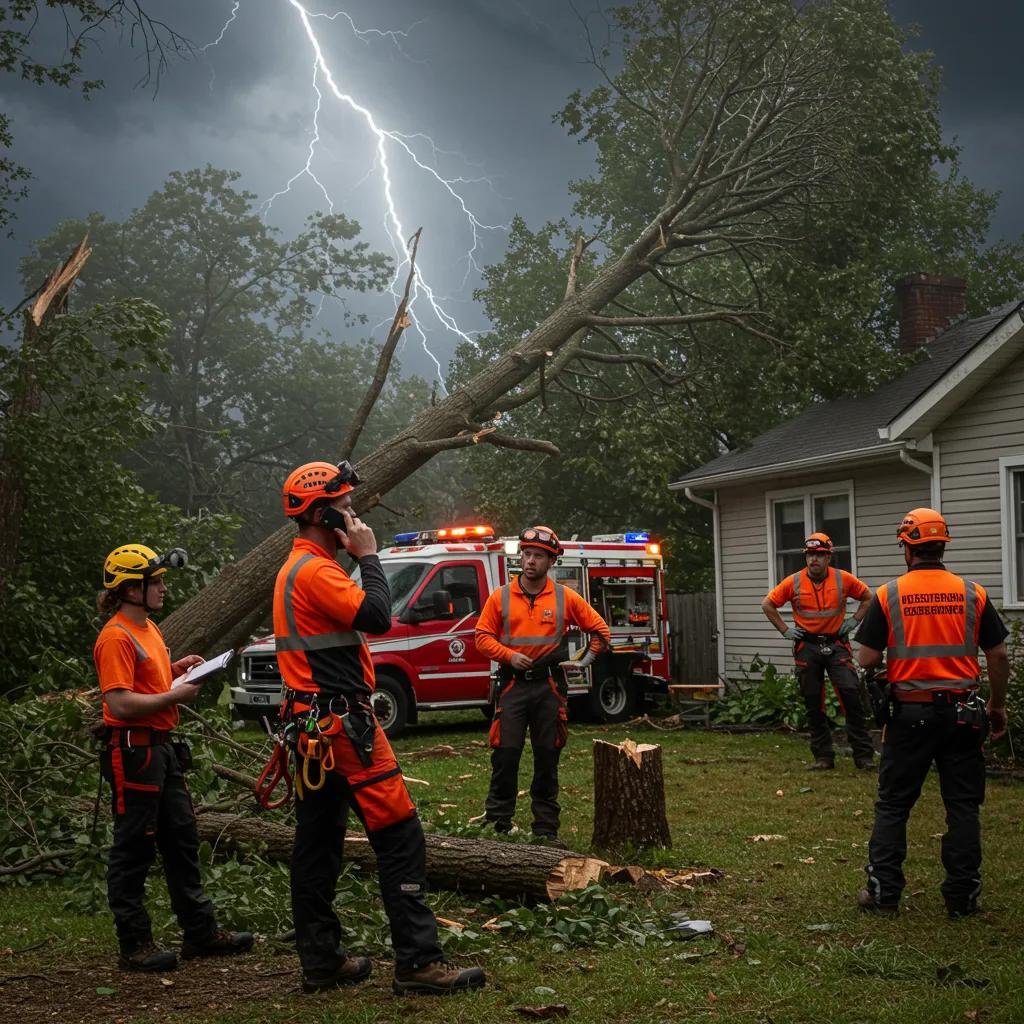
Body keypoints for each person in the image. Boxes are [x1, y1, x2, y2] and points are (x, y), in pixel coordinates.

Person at [274, 460, 486, 996]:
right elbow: (376, 616)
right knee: (400, 838)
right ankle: (418, 963)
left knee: (317, 845)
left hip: (314, 728)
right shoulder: (316, 571)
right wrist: (369, 557)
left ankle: (321, 962)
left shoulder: (302, 569)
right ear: (325, 515)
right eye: (346, 507)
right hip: (342, 730)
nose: (356, 514)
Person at [94, 544, 253, 972]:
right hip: (133, 751)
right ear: (130, 588)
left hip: (162, 749)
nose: (164, 588)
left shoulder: (149, 629)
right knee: (134, 847)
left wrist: (178, 671)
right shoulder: (115, 637)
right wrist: (175, 694)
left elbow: (148, 683)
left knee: (182, 839)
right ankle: (135, 943)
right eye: (156, 581)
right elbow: (121, 703)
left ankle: (200, 934)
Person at [855, 508, 1009, 918]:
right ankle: (962, 899)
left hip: (909, 716)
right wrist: (996, 704)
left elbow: (867, 657)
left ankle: (884, 894)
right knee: (962, 805)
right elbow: (998, 653)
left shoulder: (888, 594)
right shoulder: (973, 593)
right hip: (964, 716)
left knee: (893, 805)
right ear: (942, 547)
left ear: (907, 547)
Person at [476, 525, 611, 840]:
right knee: (505, 755)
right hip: (512, 685)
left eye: (539, 556)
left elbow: (600, 631)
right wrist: (509, 656)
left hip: (549, 687)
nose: (531, 560)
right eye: (527, 554)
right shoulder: (501, 597)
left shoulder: (565, 597)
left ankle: (546, 830)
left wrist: (583, 661)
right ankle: (498, 825)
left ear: (552, 561)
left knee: (547, 757)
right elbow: (481, 638)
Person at [761, 532, 876, 770]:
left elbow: (868, 597)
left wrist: (855, 620)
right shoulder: (793, 582)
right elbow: (768, 604)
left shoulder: (843, 579)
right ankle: (823, 757)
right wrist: (785, 630)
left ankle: (863, 758)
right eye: (810, 554)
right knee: (813, 701)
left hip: (837, 644)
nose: (814, 559)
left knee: (850, 694)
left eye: (820, 555)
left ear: (828, 557)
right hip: (807, 646)